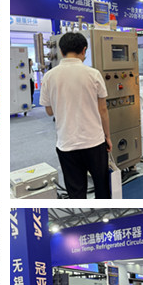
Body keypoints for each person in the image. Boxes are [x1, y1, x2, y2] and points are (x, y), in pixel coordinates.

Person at [40, 31, 111, 199]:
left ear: (61, 50)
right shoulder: (93, 74)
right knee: (102, 186)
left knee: (76, 191)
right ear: (84, 50)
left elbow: (49, 111)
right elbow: (103, 110)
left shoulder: (49, 77)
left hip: (67, 142)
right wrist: (107, 137)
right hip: (94, 141)